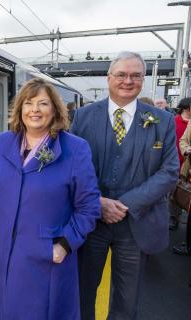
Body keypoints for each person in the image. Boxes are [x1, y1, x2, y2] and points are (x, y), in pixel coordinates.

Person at [0, 78, 101, 319]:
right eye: (28, 103)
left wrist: (64, 245)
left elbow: (89, 207)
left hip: (46, 253)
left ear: (55, 109)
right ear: (20, 109)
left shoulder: (75, 148)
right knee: (4, 308)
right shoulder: (6, 140)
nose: (34, 110)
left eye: (43, 103)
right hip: (4, 248)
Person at [71, 51, 179, 320]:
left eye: (135, 75)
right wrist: (97, 202)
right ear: (109, 78)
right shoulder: (83, 117)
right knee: (81, 293)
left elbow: (169, 172)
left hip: (135, 225)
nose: (127, 81)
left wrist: (126, 205)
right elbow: (69, 168)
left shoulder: (162, 121)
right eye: (121, 74)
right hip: (90, 223)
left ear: (143, 79)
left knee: (126, 300)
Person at [169, 97, 191, 230]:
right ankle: (173, 217)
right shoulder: (173, 121)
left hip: (186, 163)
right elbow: (182, 141)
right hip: (178, 162)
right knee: (177, 192)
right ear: (187, 108)